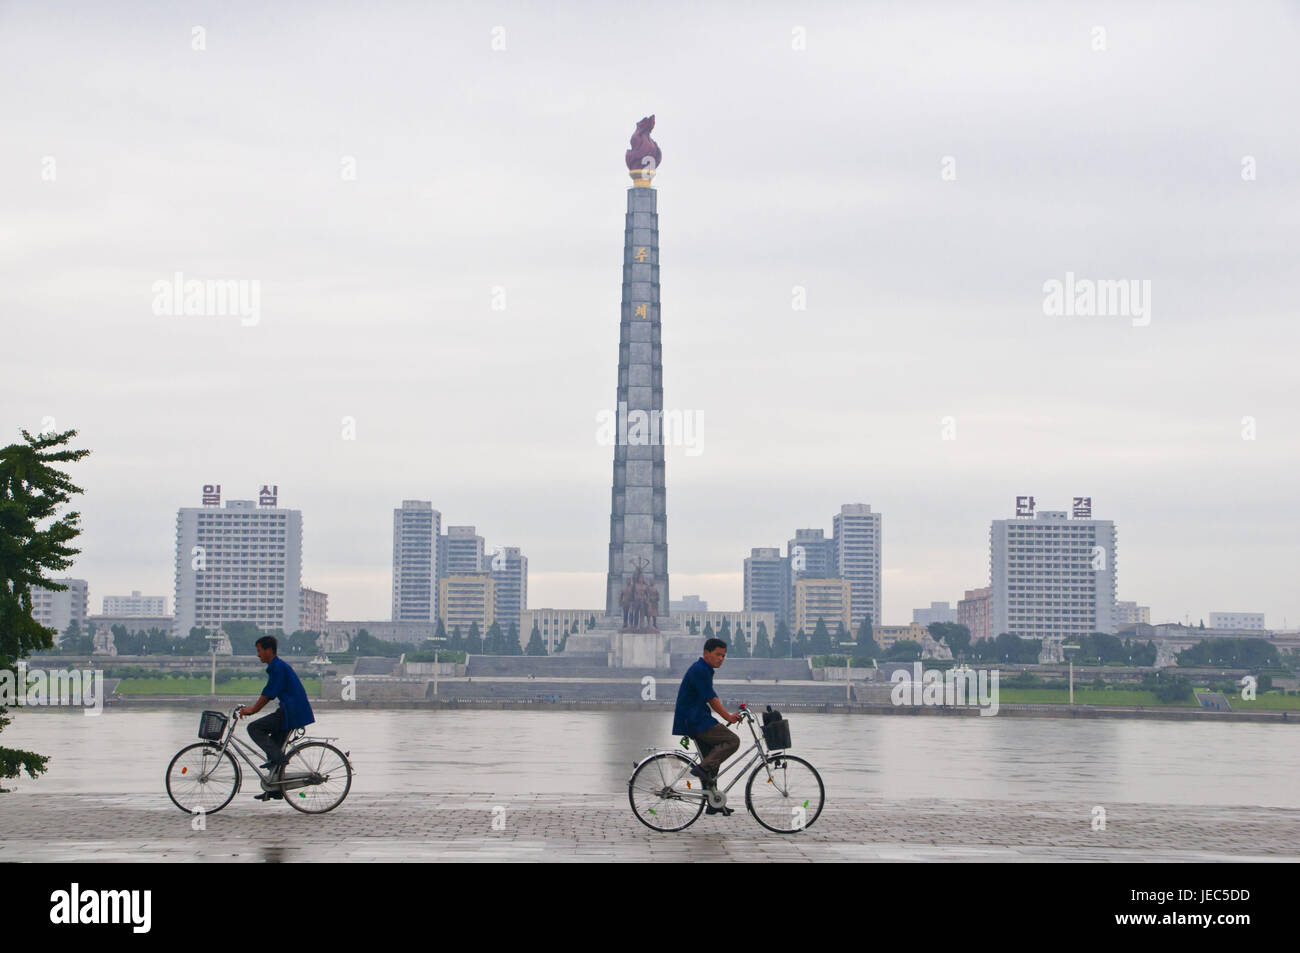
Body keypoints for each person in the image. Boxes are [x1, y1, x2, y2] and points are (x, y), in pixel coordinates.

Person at [239, 635, 315, 802]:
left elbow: (269, 692)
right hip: (291, 710)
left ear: (268, 650)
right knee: (273, 745)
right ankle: (275, 788)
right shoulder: (277, 666)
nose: (258, 655)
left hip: (291, 711)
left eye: (259, 651)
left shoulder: (277, 667)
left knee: (254, 728)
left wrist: (252, 710)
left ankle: (279, 760)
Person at [672, 637, 740, 816]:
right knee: (732, 740)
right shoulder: (700, 670)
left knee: (713, 758)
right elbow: (711, 698)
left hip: (696, 718)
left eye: (724, 656)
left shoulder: (704, 670)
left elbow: (711, 695)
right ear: (706, 653)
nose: (721, 659)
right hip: (695, 720)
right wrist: (728, 717)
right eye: (718, 654)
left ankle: (713, 802)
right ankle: (701, 769)